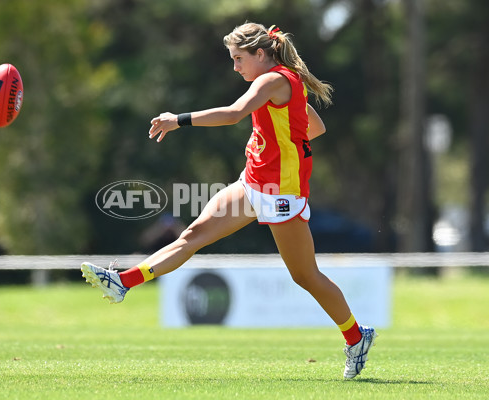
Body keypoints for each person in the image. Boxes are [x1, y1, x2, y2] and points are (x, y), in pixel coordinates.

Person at [81, 22, 377, 379]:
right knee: (192, 236)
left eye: (239, 59)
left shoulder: (271, 81)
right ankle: (122, 281)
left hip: (280, 194)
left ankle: (356, 337)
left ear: (260, 54)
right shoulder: (277, 83)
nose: (235, 66)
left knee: (305, 276)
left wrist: (179, 120)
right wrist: (279, 143)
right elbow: (313, 127)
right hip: (253, 184)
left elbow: (235, 113)